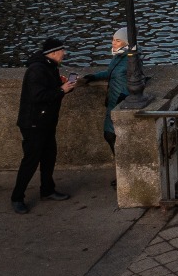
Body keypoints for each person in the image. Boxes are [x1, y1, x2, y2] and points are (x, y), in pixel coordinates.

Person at [11, 38, 78, 213]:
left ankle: (47, 190)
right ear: (55, 52)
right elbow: (38, 96)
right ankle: (17, 197)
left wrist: (63, 86)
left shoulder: (49, 66)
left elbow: (51, 93)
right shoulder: (37, 70)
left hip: (46, 121)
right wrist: (61, 89)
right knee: (31, 161)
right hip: (33, 123)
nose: (64, 54)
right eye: (62, 51)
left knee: (49, 156)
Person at [84, 27, 134, 158]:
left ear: (126, 43)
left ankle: (122, 171)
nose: (113, 43)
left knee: (113, 135)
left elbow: (135, 78)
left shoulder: (131, 59)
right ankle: (120, 168)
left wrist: (124, 95)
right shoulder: (117, 57)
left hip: (120, 100)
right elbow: (110, 73)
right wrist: (94, 77)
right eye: (113, 39)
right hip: (112, 101)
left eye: (117, 40)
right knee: (109, 135)